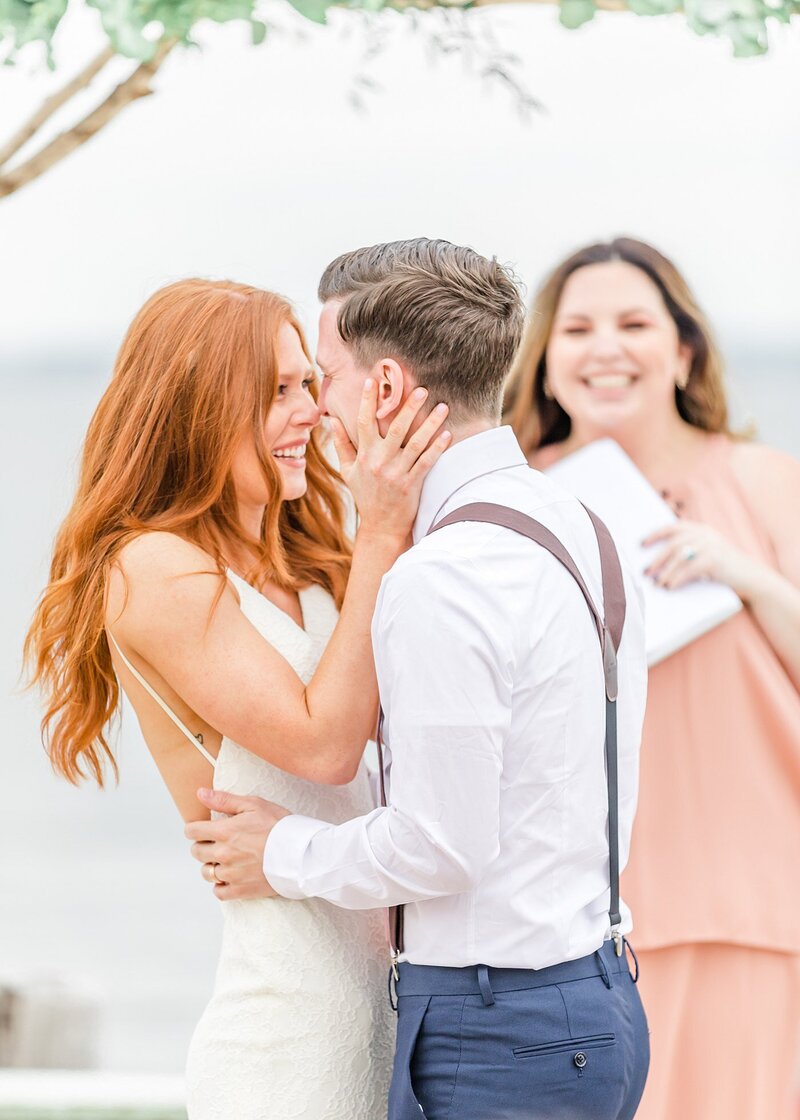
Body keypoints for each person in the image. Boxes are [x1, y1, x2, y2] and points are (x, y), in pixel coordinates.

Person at [186, 239, 651, 1120]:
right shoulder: (578, 522)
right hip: (594, 992)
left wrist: (279, 851)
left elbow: (441, 845)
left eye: (327, 377)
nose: (321, 411)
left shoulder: (444, 575)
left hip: (499, 1033)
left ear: (389, 390)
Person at [24, 277, 452, 1120]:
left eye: (306, 384)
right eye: (273, 394)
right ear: (194, 409)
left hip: (396, 1019)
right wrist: (384, 531)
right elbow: (324, 746)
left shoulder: (313, 556)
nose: (310, 414)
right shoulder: (153, 568)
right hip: (285, 1042)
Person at [502, 237, 800, 1120]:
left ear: (683, 350)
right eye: (578, 327)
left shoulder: (763, 482)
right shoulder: (512, 504)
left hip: (754, 907)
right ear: (545, 365)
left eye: (635, 323)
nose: (606, 348)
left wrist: (747, 576)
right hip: (572, 931)